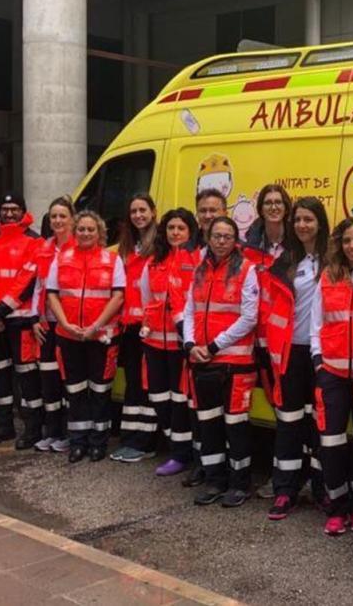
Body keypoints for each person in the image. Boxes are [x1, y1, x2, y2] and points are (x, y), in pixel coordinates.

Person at [260, 196, 327, 521]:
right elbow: (271, 309)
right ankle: (285, 489)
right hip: (290, 353)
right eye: (298, 219)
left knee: (320, 424)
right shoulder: (285, 261)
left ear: (320, 223)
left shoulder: (333, 261)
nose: (302, 225)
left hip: (323, 355)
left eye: (309, 219)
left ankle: (321, 489)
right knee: (288, 424)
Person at [184, 216, 259, 508]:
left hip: (235, 362)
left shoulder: (247, 270)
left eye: (228, 236)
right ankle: (215, 480)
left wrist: (214, 345)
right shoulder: (201, 270)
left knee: (236, 426)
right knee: (210, 425)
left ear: (235, 239)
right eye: (217, 235)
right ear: (208, 236)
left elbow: (249, 317)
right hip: (203, 360)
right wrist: (191, 344)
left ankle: (240, 484)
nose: (221, 241)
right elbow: (190, 310)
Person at [312, 217, 353, 536]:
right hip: (333, 373)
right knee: (331, 442)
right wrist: (317, 363)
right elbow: (316, 323)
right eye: (348, 240)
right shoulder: (327, 276)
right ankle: (336, 505)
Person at [45, 211, 126, 463]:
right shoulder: (61, 259)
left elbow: (118, 296)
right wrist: (66, 324)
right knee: (76, 391)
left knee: (100, 391)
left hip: (100, 336)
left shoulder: (112, 260)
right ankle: (78, 442)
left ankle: (98, 442)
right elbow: (52, 294)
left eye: (91, 229)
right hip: (69, 335)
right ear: (75, 231)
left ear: (100, 232)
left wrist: (95, 325)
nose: (86, 233)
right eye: (81, 229)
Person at [0, 193, 42, 449]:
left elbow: (26, 282)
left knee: (27, 378)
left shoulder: (34, 241)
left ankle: (33, 428)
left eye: (15, 209)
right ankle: (4, 426)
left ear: (23, 211)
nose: (9, 213)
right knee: (0, 375)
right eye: (5, 208)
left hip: (20, 321)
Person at [139, 208, 201, 476]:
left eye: (181, 228)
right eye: (171, 228)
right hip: (154, 342)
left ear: (190, 232)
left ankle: (181, 454)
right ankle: (175, 443)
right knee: (158, 396)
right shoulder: (153, 261)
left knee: (180, 401)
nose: (175, 232)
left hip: (180, 343)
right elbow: (145, 297)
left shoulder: (196, 260)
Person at [111, 194, 159, 463]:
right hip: (129, 326)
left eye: (143, 210)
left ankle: (144, 442)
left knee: (145, 384)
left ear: (153, 212)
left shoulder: (159, 245)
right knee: (132, 384)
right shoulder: (127, 247)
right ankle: (130, 439)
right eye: (134, 211)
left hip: (150, 327)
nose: (138, 215)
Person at [30, 196, 76, 453]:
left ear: (72, 218)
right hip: (46, 323)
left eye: (62, 216)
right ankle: (53, 431)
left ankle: (69, 433)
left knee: (68, 379)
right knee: (48, 380)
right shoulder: (45, 248)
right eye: (53, 217)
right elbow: (39, 286)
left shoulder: (79, 247)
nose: (58, 221)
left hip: (68, 326)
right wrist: (35, 318)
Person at [242, 184, 291, 265]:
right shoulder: (251, 246)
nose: (273, 208)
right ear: (261, 210)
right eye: (268, 203)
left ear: (286, 209)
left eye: (278, 202)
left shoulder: (297, 242)